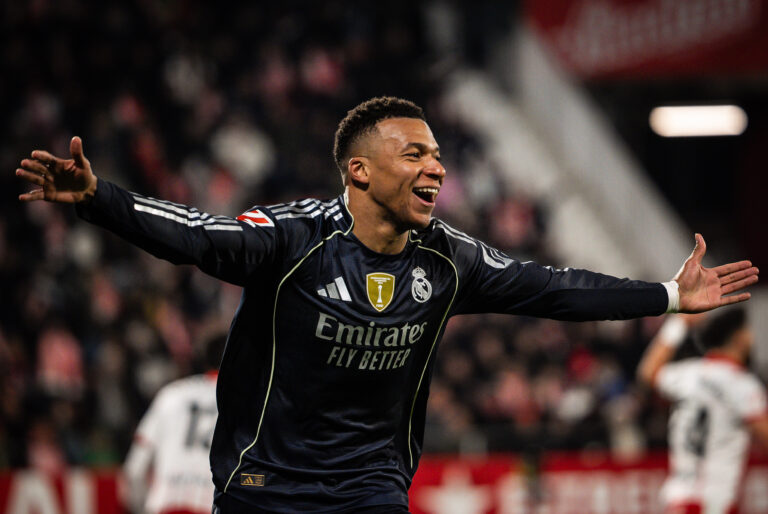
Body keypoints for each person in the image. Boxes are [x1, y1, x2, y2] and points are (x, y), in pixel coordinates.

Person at [16, 97, 759, 513]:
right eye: (416, 154)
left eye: (437, 154)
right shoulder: (294, 237)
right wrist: (99, 200)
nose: (436, 164)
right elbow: (196, 235)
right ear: (360, 172)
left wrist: (666, 295)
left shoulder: (450, 258)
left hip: (371, 490)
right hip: (262, 486)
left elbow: (553, 287)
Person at [637, 310, 768, 514]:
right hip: (714, 502)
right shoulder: (743, 385)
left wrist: (679, 324)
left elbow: (648, 372)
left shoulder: (688, 374)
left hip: (679, 500)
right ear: (739, 337)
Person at [122, 334, 226, 514]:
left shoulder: (170, 394)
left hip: (164, 504)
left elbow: (134, 469)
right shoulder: (246, 404)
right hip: (210, 505)